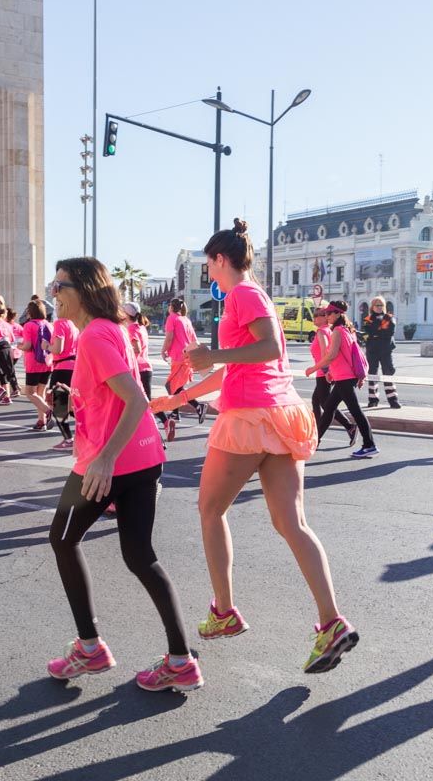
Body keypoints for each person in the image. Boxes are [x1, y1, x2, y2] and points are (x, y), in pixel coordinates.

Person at [150, 219, 358, 673]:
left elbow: (264, 349)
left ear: (220, 259)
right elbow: (240, 366)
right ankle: (331, 622)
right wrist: (181, 397)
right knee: (292, 524)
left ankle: (224, 612)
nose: (208, 270)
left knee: (209, 509)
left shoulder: (242, 294)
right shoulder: (251, 296)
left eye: (208, 262)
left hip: (250, 417)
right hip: (279, 413)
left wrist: (213, 355)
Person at [45, 257, 201, 692]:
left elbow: (134, 399)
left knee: (62, 539)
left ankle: (90, 649)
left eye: (59, 286)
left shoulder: (95, 335)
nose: (52, 294)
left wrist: (105, 459)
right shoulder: (110, 329)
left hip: (108, 461)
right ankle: (180, 660)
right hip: (145, 455)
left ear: (82, 290)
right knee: (139, 556)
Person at [307, 301, 377, 459]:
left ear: (338, 314)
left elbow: (331, 355)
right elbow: (345, 356)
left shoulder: (338, 331)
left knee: (355, 411)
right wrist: (332, 372)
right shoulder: (345, 330)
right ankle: (314, 442)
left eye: (329, 313)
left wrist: (313, 368)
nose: (326, 316)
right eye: (325, 313)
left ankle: (369, 445)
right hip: (342, 377)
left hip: (345, 378)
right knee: (329, 409)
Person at [304, 307, 357, 447]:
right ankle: (316, 432)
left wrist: (324, 370)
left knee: (327, 406)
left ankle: (347, 427)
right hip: (327, 371)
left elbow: (325, 352)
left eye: (318, 315)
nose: (314, 318)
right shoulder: (329, 330)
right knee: (317, 401)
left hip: (323, 372)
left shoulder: (322, 332)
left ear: (324, 317)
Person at [160, 298, 208, 440]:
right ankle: (176, 413)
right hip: (187, 357)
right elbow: (194, 340)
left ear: (171, 307)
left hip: (178, 358)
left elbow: (169, 338)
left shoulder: (172, 318)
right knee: (176, 386)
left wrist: (163, 351)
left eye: (168, 305)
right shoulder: (186, 320)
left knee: (171, 386)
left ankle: (198, 406)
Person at [18, 299, 53, 430]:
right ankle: (41, 421)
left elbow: (27, 346)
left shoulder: (29, 325)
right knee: (40, 392)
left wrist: (19, 346)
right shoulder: (49, 325)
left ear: (30, 312)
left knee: (30, 393)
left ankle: (48, 412)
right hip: (47, 362)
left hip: (33, 363)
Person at [360, 296, 400, 409]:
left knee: (388, 373)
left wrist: (375, 334)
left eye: (381, 305)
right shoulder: (368, 319)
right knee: (372, 374)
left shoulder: (389, 318)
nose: (379, 307)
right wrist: (378, 332)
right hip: (372, 350)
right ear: (372, 307)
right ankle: (373, 399)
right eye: (377, 305)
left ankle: (393, 400)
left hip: (386, 350)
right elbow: (366, 333)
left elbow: (389, 332)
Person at [48, 312, 79, 451]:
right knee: (74, 405)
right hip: (74, 367)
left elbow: (58, 349)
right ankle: (88, 433)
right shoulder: (74, 324)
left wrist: (46, 346)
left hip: (62, 368)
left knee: (58, 406)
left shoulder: (60, 323)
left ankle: (68, 439)